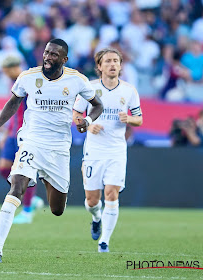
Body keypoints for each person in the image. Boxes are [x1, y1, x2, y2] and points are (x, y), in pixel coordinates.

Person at [0, 38, 104, 263]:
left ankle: (46, 180)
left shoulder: (77, 80)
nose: (48, 57)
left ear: (64, 59)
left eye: (54, 54)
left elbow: (98, 105)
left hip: (58, 149)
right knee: (16, 187)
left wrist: (87, 120)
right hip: (31, 141)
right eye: (46, 52)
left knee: (57, 209)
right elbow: (13, 103)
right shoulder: (28, 77)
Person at [72, 47, 143, 253]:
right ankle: (96, 218)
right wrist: (87, 124)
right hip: (94, 151)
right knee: (92, 200)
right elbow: (75, 114)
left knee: (112, 194)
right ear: (99, 66)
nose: (112, 64)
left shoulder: (129, 91)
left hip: (117, 151)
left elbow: (139, 118)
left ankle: (105, 241)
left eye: (116, 61)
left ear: (120, 66)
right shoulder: (89, 89)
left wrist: (129, 119)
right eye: (108, 61)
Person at [0, 56, 44, 224]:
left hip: (26, 134)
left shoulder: (28, 82)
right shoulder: (13, 83)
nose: (5, 74)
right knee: (4, 169)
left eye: (6, 71)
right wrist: (6, 133)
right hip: (12, 133)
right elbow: (13, 110)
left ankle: (27, 211)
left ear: (14, 67)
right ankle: (31, 199)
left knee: (25, 171)